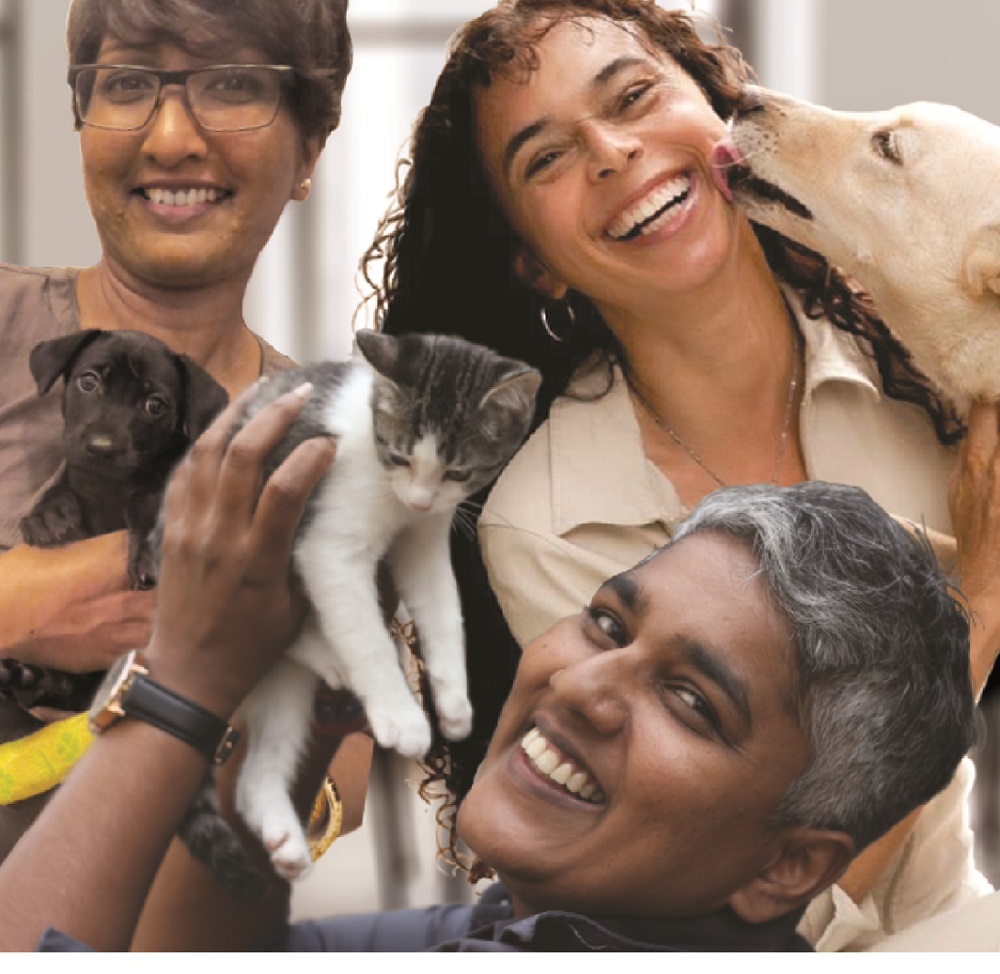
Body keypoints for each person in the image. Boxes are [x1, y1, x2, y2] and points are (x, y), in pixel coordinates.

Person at [360, 0, 1000, 949]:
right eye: (547, 160)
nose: (613, 152)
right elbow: (743, 911)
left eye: (632, 98)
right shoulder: (549, 526)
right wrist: (984, 610)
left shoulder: (939, 379)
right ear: (535, 262)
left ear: (715, 111)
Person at [0, 386, 980, 951]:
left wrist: (183, 677)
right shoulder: (534, 922)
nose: (584, 686)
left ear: (789, 866)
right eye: (605, 623)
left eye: (690, 700)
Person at [0, 0, 372, 863]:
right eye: (127, 84)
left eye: (233, 85)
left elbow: (333, 785)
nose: (170, 137)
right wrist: (39, 600)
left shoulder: (327, 444)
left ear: (310, 152)